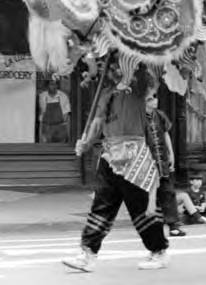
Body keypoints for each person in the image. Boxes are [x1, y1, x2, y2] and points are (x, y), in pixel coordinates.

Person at [62, 65, 169, 272]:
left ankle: (159, 251)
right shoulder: (106, 92)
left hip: (134, 154)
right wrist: (86, 142)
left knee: (141, 207)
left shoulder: (139, 86)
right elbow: (98, 121)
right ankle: (88, 254)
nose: (108, 69)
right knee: (101, 205)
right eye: (106, 65)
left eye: (112, 65)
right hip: (109, 153)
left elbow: (153, 81)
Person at [143, 86, 186, 237]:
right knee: (146, 194)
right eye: (150, 98)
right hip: (146, 161)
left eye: (155, 97)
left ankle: (173, 224)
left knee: (168, 191)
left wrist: (171, 154)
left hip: (162, 160)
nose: (155, 100)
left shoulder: (160, 115)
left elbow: (166, 134)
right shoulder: (138, 118)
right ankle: (149, 225)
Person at [38, 79, 71, 143]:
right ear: (47, 85)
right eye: (51, 84)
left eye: (55, 84)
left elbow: (66, 114)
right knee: (45, 149)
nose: (54, 86)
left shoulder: (63, 96)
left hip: (59, 128)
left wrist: (61, 127)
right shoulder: (42, 96)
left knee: (60, 149)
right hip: (46, 128)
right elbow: (41, 112)